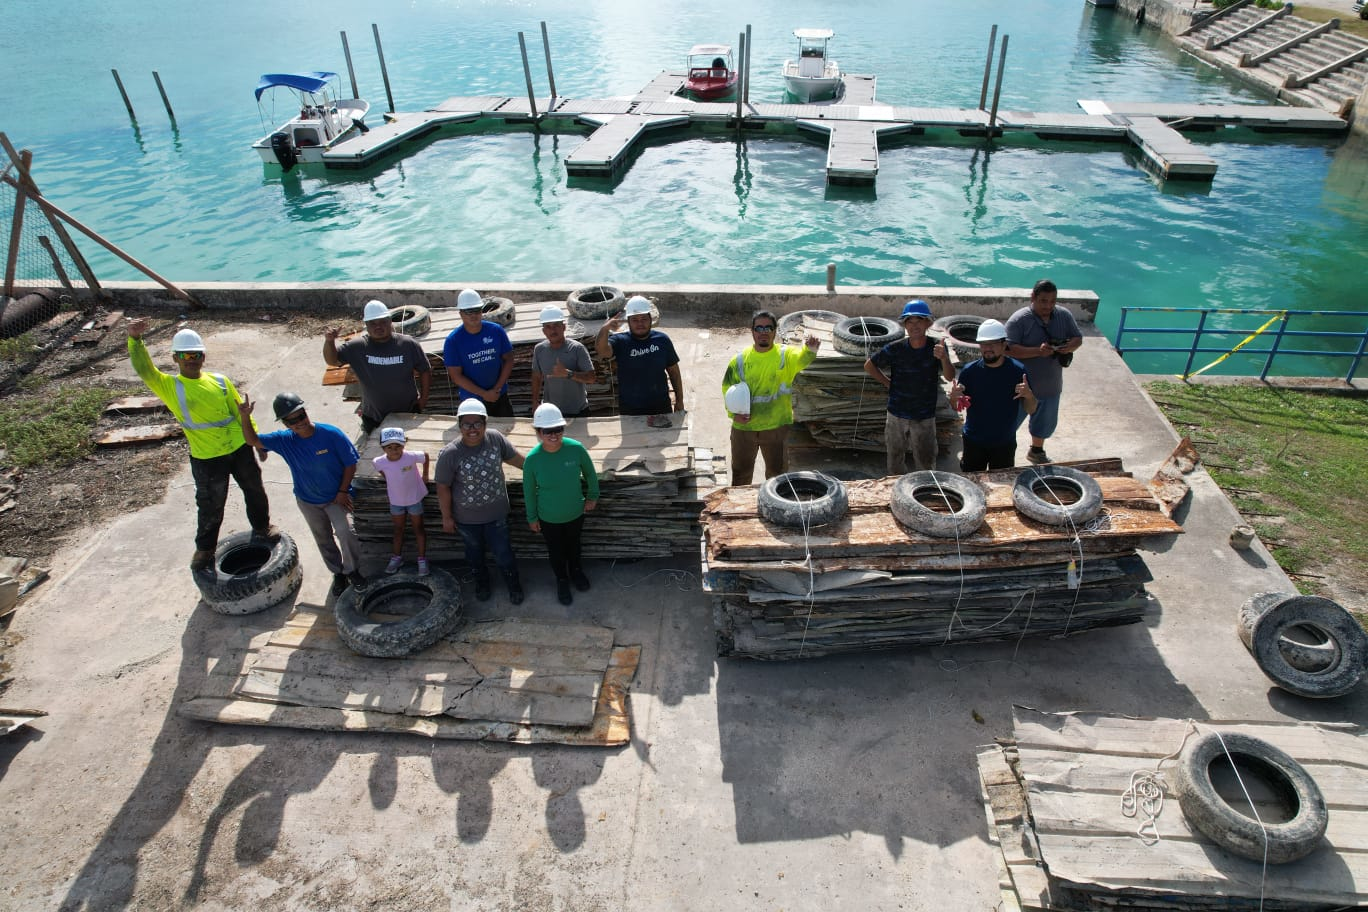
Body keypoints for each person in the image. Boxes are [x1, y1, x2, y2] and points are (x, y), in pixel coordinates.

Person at [125, 318, 275, 574]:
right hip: (207, 457)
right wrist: (135, 340)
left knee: (255, 491)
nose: (191, 359)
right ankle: (205, 549)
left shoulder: (220, 381)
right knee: (210, 504)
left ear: (203, 357)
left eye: (196, 354)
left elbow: (240, 413)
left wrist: (257, 441)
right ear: (175, 358)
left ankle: (262, 527)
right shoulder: (170, 386)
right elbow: (145, 370)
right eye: (186, 355)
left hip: (239, 449)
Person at [239, 392, 366, 598]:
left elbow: (351, 464)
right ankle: (337, 572)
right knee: (323, 538)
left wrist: (343, 491)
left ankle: (352, 570)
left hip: (337, 498)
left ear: (306, 413)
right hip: (308, 501)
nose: (299, 422)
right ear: (285, 424)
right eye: (292, 421)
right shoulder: (284, 441)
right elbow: (252, 440)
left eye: (301, 416)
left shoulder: (331, 434)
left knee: (346, 532)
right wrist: (245, 416)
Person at [434, 399, 526, 604]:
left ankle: (514, 585)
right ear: (459, 426)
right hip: (467, 520)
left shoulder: (495, 439)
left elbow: (518, 461)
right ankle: (482, 584)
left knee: (503, 553)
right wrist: (447, 517)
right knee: (474, 555)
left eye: (477, 423)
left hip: (497, 515)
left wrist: (542, 470)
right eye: (467, 424)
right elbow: (442, 487)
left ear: (485, 423)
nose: (472, 429)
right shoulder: (450, 454)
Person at [721, 309, 820, 485]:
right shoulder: (740, 360)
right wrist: (733, 414)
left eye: (768, 328)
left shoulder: (785, 355)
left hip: (776, 428)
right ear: (752, 331)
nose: (763, 332)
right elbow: (727, 388)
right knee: (741, 475)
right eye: (759, 328)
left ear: (774, 331)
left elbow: (802, 358)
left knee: (777, 477)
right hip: (744, 429)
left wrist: (810, 349)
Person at [863, 300, 956, 476]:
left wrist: (944, 358)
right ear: (904, 325)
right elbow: (869, 365)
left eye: (919, 320)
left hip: (924, 415)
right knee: (895, 459)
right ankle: (897, 486)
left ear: (928, 323)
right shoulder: (896, 348)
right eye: (910, 321)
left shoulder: (937, 347)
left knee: (926, 462)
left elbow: (950, 376)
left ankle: (925, 486)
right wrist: (887, 383)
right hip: (896, 413)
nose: (914, 326)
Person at [523, 403, 600, 606]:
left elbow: (590, 474)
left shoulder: (576, 449)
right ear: (538, 432)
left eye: (558, 429)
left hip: (575, 512)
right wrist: (532, 517)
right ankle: (562, 580)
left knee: (574, 545)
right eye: (547, 431)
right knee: (556, 551)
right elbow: (529, 492)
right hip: (548, 518)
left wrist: (592, 496)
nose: (553, 435)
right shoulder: (532, 459)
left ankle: (576, 572)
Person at [323, 299, 431, 434]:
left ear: (390, 321)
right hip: (374, 417)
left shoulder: (408, 344)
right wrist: (329, 342)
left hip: (408, 412)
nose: (378, 327)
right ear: (366, 325)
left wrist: (423, 399)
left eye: (382, 322)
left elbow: (425, 370)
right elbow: (333, 361)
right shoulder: (357, 347)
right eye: (373, 323)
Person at [1005, 279, 1082, 465]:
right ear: (1033, 297)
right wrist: (1037, 352)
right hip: (1020, 387)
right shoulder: (1019, 320)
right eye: (1043, 301)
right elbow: (1008, 349)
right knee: (1007, 424)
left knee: (1044, 423)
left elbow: (1077, 338)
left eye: (1052, 301)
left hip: (1050, 385)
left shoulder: (1064, 315)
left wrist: (1069, 347)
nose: (1048, 306)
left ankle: (1036, 451)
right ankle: (1002, 453)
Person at [949, 319, 1038, 472]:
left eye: (993, 343)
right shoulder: (969, 372)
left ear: (1004, 345)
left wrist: (1029, 395)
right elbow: (956, 407)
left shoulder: (1018, 371)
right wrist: (953, 397)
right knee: (972, 481)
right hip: (973, 441)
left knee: (1002, 482)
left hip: (1004, 443)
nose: (988, 348)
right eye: (984, 344)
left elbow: (1031, 410)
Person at [595, 295, 684, 416]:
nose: (640, 323)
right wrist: (605, 328)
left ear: (650, 319)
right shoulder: (620, 341)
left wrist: (679, 400)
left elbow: (674, 372)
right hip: (631, 409)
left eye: (644, 319)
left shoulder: (662, 340)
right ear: (628, 321)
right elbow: (602, 351)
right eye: (635, 320)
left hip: (661, 406)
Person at [443, 288, 515, 418]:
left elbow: (508, 359)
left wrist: (496, 389)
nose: (473, 315)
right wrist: (484, 394)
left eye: (476, 310)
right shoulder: (453, 341)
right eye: (468, 311)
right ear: (461, 314)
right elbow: (456, 376)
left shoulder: (496, 331)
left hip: (499, 395)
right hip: (472, 401)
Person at [372, 427, 430, 576]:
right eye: (389, 447)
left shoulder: (410, 457)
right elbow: (383, 472)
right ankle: (397, 557)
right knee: (398, 530)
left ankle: (422, 559)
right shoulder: (379, 462)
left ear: (404, 445)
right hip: (396, 502)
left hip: (414, 499)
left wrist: (425, 475)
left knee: (419, 529)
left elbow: (425, 456)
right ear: (383, 448)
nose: (394, 450)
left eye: (397, 446)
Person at [530, 304, 596, 417]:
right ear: (544, 331)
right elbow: (536, 376)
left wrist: (568, 373)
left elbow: (591, 378)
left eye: (556, 325)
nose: (552, 330)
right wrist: (535, 402)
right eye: (548, 327)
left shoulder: (577, 349)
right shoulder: (539, 349)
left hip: (578, 411)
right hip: (551, 412)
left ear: (564, 327)